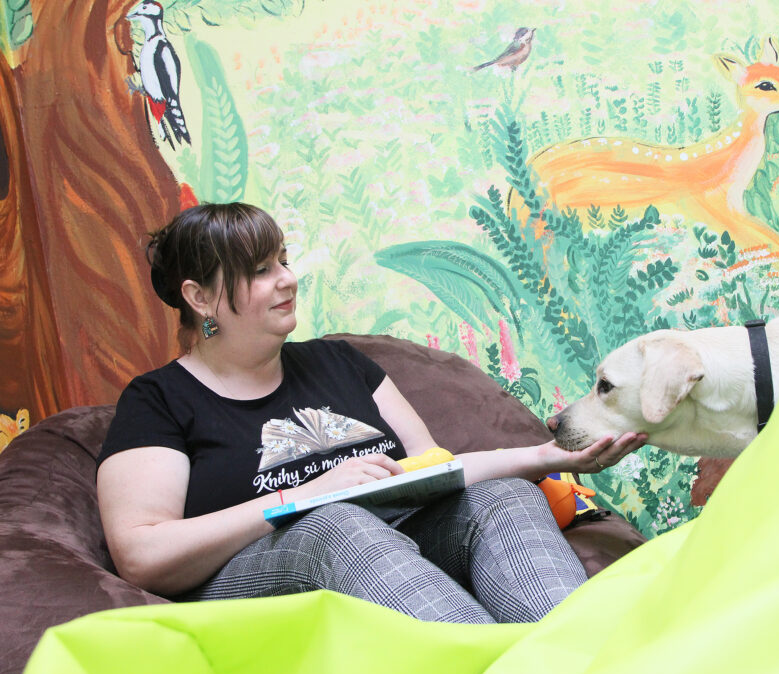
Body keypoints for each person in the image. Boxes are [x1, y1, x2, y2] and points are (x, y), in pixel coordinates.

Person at [97, 202, 647, 624]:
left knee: (505, 496)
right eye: (261, 269)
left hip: (399, 545)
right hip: (259, 574)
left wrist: (547, 457)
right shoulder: (158, 399)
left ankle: (586, 662)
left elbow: (432, 471)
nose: (287, 278)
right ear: (199, 298)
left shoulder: (340, 362)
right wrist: (304, 498)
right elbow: (142, 554)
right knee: (335, 523)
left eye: (283, 260)